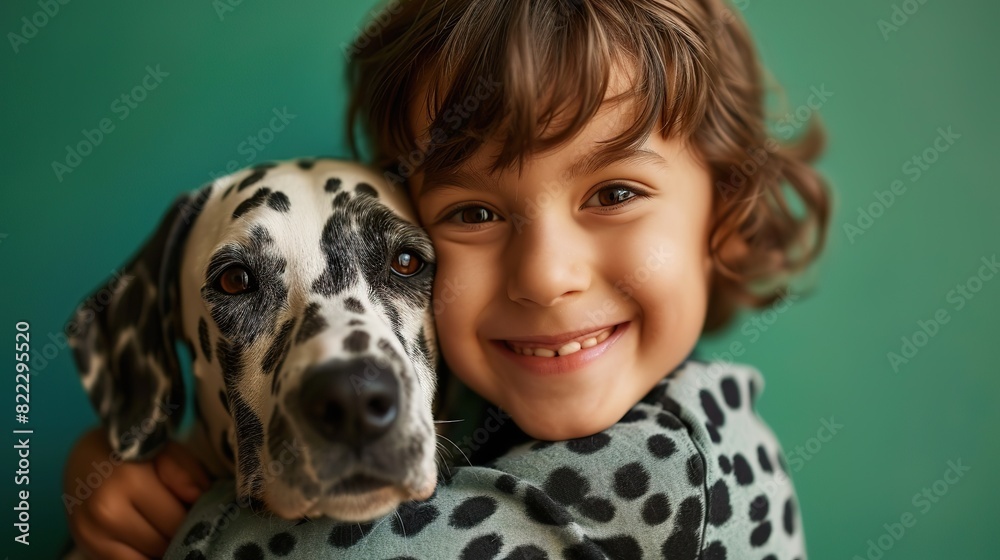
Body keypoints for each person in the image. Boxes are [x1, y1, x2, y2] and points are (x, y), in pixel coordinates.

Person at [63, 0, 831, 558]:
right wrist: (113, 455)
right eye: (472, 213)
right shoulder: (498, 408)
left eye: (615, 193)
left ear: (724, 216)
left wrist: (182, 519)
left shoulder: (680, 473)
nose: (545, 276)